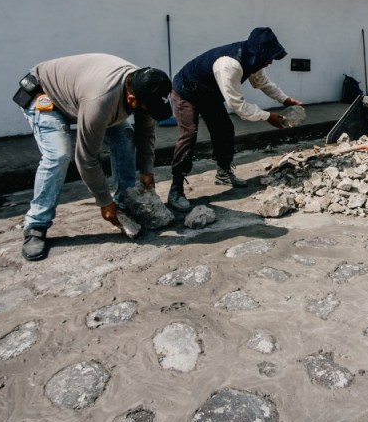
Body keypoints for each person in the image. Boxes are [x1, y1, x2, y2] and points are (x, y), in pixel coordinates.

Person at [15, 54, 172, 261]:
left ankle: (126, 201)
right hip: (44, 94)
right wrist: (103, 201)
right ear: (132, 100)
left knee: (125, 139)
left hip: (82, 97)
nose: (149, 112)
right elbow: (86, 158)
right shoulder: (100, 100)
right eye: (147, 109)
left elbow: (145, 133)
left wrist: (147, 170)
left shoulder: (146, 85)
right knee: (59, 155)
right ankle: (36, 225)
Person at [168, 27, 302, 211]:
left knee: (224, 129)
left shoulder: (254, 60)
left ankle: (223, 173)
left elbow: (263, 83)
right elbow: (238, 106)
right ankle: (176, 188)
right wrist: (268, 116)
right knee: (189, 134)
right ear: (261, 53)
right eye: (270, 56)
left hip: (210, 93)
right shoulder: (230, 65)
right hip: (186, 91)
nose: (271, 61)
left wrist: (285, 100)